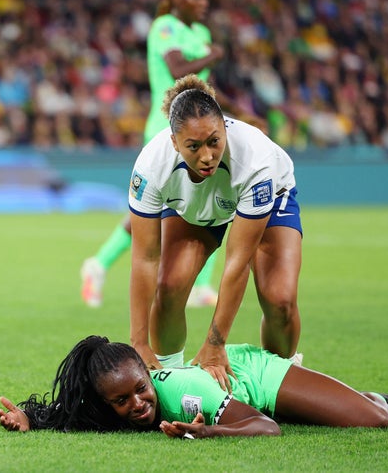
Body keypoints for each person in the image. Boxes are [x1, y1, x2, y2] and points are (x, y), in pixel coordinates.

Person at [128, 73, 304, 392]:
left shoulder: (257, 162)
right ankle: (170, 382)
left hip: (268, 195)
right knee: (169, 286)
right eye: (193, 146)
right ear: (174, 142)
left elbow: (237, 262)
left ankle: (282, 382)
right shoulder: (151, 167)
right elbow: (144, 258)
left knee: (280, 301)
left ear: (224, 125)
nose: (207, 156)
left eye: (214, 141)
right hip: (195, 204)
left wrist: (215, 344)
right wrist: (138, 341)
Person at [80, 0, 226, 309]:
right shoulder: (165, 28)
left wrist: (235, 113)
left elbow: (198, 88)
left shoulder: (201, 31)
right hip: (165, 131)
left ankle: (199, 286)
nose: (202, 2)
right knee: (148, 212)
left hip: (198, 128)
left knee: (215, 197)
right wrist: (213, 54)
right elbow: (178, 71)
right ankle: (98, 264)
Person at [0, 335, 388, 437]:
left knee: (375, 420)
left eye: (140, 390)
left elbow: (265, 428)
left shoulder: (186, 393)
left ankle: (371, 395)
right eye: (121, 401)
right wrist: (29, 420)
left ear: (149, 375)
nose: (138, 404)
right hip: (235, 397)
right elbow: (73, 412)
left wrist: (206, 431)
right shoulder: (106, 407)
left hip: (256, 378)